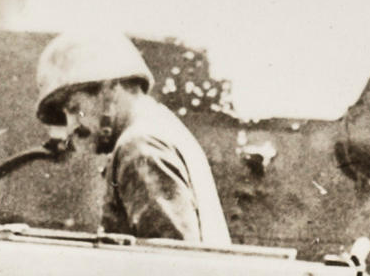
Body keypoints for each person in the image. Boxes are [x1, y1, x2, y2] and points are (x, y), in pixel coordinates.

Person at [35, 29, 229, 246]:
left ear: (109, 89)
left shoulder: (140, 146)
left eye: (74, 108)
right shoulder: (159, 127)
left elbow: (172, 262)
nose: (71, 127)